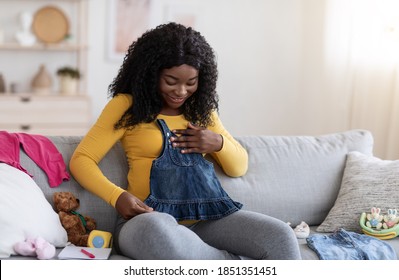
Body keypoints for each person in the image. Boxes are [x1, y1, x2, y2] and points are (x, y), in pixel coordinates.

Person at [70, 22, 301, 260]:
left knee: (280, 235)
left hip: (205, 221)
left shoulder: (201, 112)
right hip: (146, 221)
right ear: (151, 74)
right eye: (171, 81)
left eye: (191, 83)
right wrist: (116, 196)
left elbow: (238, 166)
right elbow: (82, 159)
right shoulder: (127, 106)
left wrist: (217, 143)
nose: (181, 91)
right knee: (160, 233)